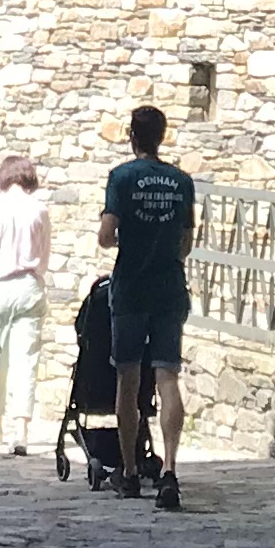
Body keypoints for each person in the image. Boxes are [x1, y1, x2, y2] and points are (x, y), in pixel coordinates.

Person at [98, 103, 194, 512]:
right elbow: (186, 242)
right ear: (162, 135)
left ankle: (131, 471)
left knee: (129, 379)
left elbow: (106, 235)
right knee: (168, 375)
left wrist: (128, 241)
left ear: (130, 136)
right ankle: (169, 470)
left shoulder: (121, 178)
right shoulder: (181, 181)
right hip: (169, 286)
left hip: (131, 288)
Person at [0, 155, 49, 453]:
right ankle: (22, 430)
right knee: (26, 359)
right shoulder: (40, 210)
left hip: (1, 287)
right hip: (29, 285)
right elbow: (44, 255)